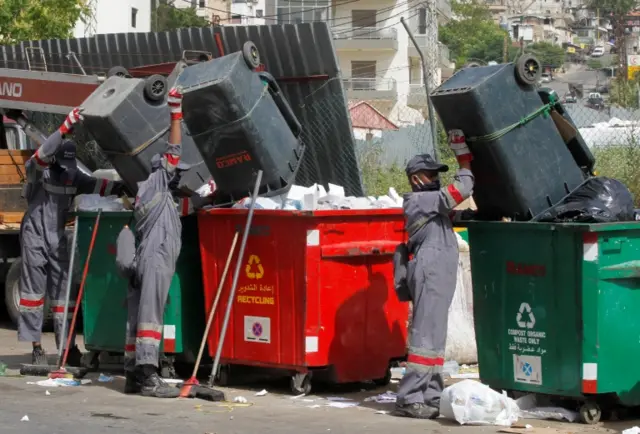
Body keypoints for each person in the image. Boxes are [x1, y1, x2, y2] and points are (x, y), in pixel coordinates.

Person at [121, 86, 212, 398]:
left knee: (138, 317)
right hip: (155, 259)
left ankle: (133, 375)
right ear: (165, 170)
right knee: (150, 318)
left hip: (144, 257)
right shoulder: (160, 180)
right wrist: (176, 111)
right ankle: (148, 376)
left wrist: (205, 194)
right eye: (175, 172)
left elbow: (178, 209)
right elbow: (174, 150)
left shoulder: (151, 193)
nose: (178, 177)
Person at [19, 108, 126, 366]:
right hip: (34, 233)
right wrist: (64, 127)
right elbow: (41, 154)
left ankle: (67, 347)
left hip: (57, 235)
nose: (66, 174)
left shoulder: (73, 173)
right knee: (33, 294)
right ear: (53, 161)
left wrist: (130, 185)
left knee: (62, 295)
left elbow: (102, 186)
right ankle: (36, 348)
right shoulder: (37, 169)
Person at [393, 130, 475, 419]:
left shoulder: (431, 204)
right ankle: (408, 397)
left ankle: (431, 394)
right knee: (425, 337)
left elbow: (454, 213)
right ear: (416, 179)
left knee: (435, 337)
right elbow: (461, 190)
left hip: (439, 273)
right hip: (429, 273)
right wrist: (464, 161)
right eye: (430, 174)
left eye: (436, 173)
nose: (435, 178)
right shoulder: (418, 201)